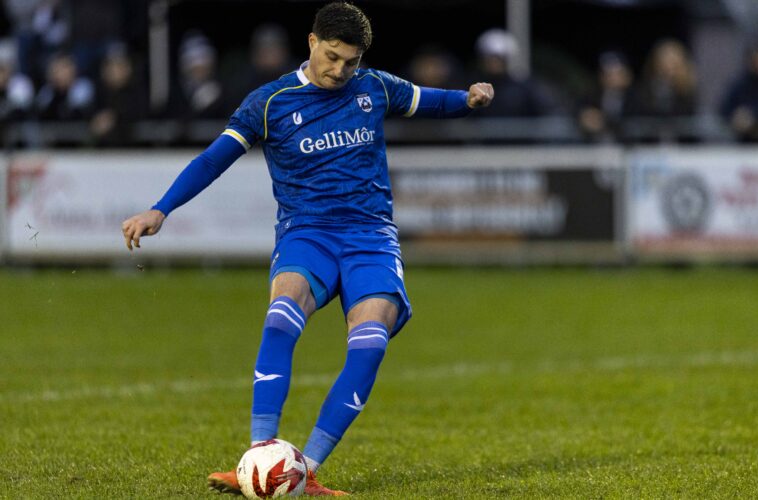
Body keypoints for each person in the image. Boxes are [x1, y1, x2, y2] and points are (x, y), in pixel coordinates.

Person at [121, 2, 493, 496]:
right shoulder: (269, 102)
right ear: (312, 42)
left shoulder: (375, 87)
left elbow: (431, 100)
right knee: (280, 316)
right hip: (307, 232)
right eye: (333, 57)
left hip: (370, 237)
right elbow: (214, 159)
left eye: (350, 62)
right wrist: (161, 208)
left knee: (370, 346)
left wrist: (469, 98)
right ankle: (258, 457)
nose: (340, 71)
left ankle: (304, 470)